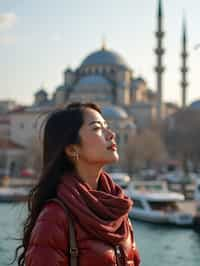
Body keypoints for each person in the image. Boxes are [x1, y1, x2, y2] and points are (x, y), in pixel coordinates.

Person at [14, 102, 140, 266]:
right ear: (72, 149)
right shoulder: (54, 218)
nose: (111, 134)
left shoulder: (117, 209)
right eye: (97, 128)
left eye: (107, 126)